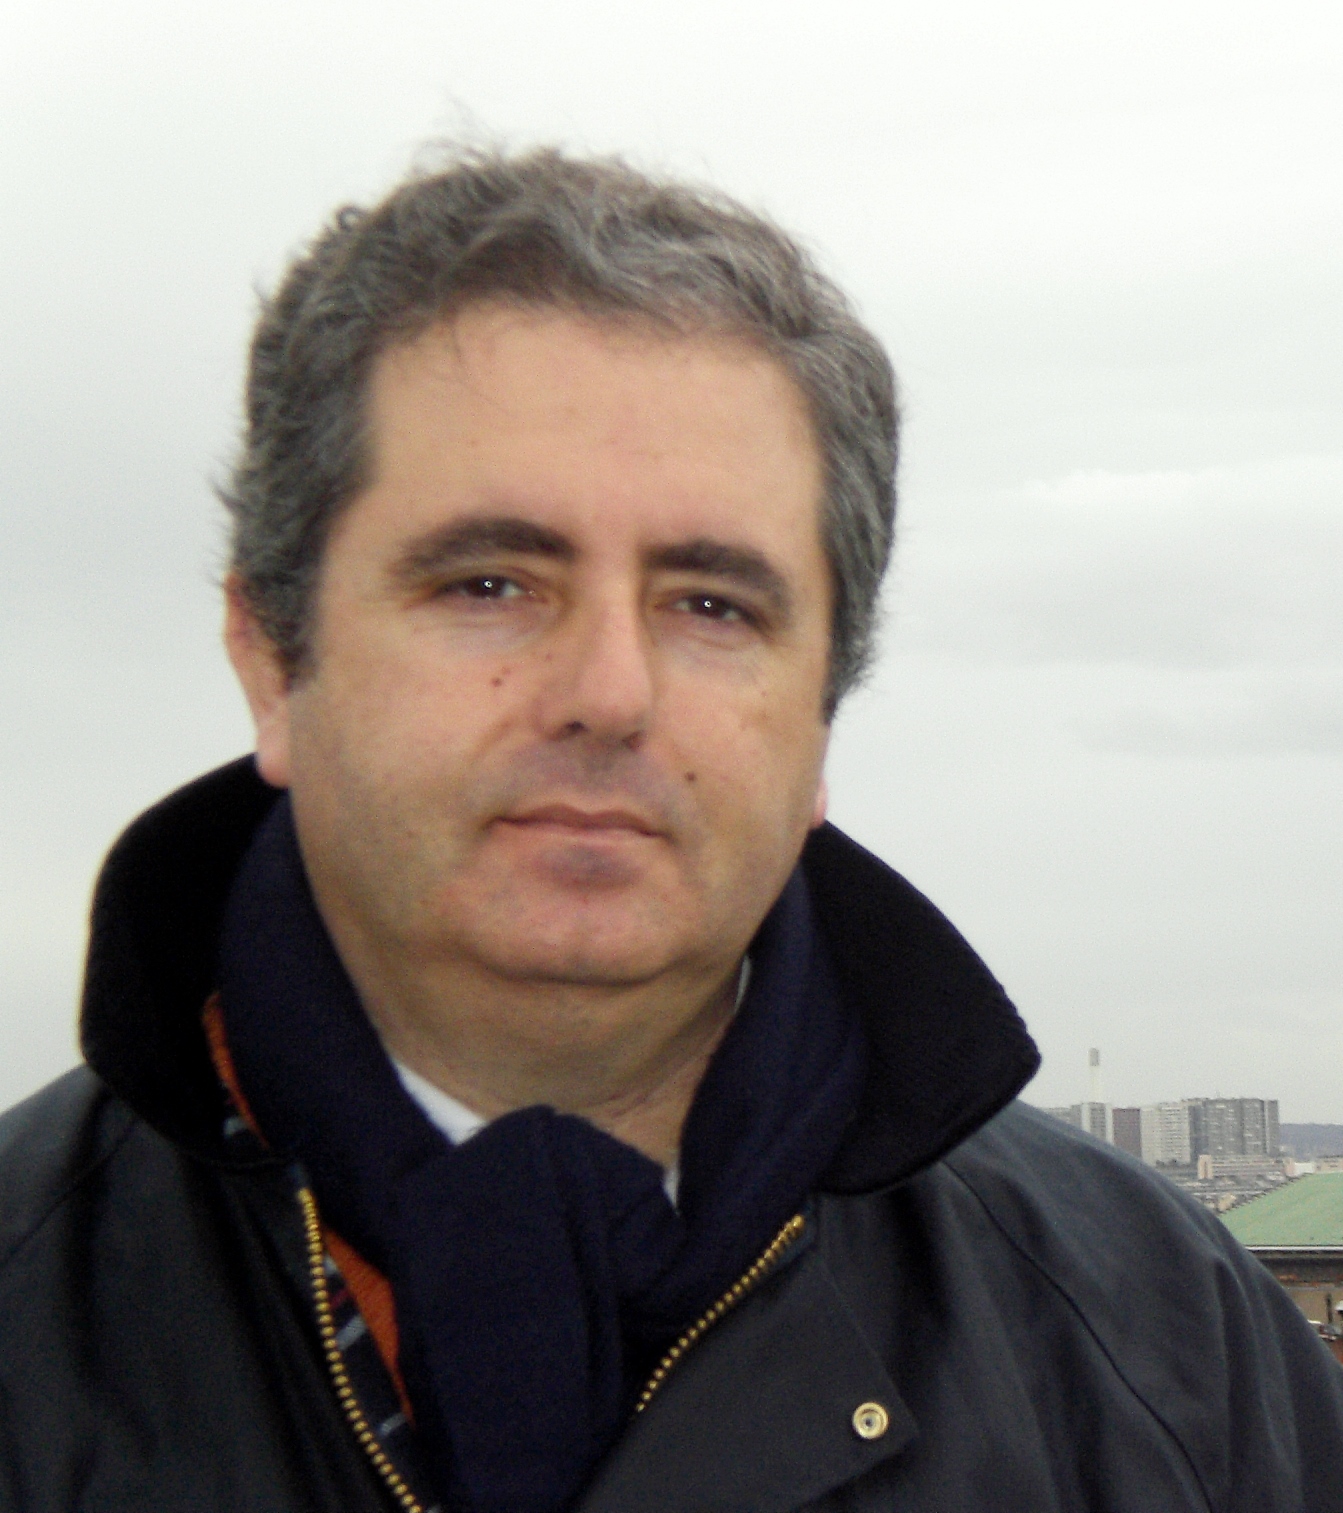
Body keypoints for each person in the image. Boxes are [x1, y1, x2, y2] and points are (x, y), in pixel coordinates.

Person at [1, 147, 1339, 1513]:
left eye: (712, 606)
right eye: (489, 582)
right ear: (271, 659)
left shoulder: (1170, 1353)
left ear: (822, 711)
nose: (609, 693)